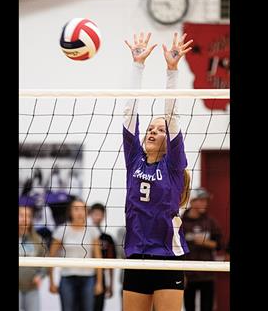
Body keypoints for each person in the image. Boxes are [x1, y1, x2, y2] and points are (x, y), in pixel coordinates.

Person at [122, 31, 193, 311]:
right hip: (137, 254)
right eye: (150, 129)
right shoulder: (134, 160)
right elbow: (129, 113)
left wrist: (172, 71)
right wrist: (137, 65)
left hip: (167, 256)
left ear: (169, 138)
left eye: (159, 129)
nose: (153, 131)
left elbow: (172, 117)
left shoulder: (173, 165)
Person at [48, 198, 103, 311]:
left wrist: (99, 282)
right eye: (76, 209)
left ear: (86, 212)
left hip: (88, 278)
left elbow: (98, 258)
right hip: (67, 278)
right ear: (70, 212)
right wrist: (51, 282)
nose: (79, 212)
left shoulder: (92, 230)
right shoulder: (62, 230)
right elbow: (51, 257)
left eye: (82, 209)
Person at [181, 188, 224, 311]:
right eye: (201, 200)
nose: (204, 203)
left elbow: (220, 244)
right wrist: (180, 273)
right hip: (188, 274)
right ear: (192, 201)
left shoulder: (210, 222)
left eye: (205, 201)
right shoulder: (181, 222)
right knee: (189, 307)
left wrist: (207, 243)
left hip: (207, 274)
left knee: (207, 307)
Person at [19, 196, 48, 311]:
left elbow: (46, 261)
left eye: (28, 216)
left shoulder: (38, 240)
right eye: (21, 215)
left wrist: (39, 276)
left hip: (32, 288)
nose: (25, 219)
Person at [88, 203, 117, 311]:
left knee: (98, 307)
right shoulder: (84, 234)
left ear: (103, 216)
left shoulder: (107, 238)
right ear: (90, 215)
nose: (98, 217)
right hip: (85, 275)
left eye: (100, 214)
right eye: (95, 214)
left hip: (101, 276)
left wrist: (111, 284)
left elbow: (111, 263)